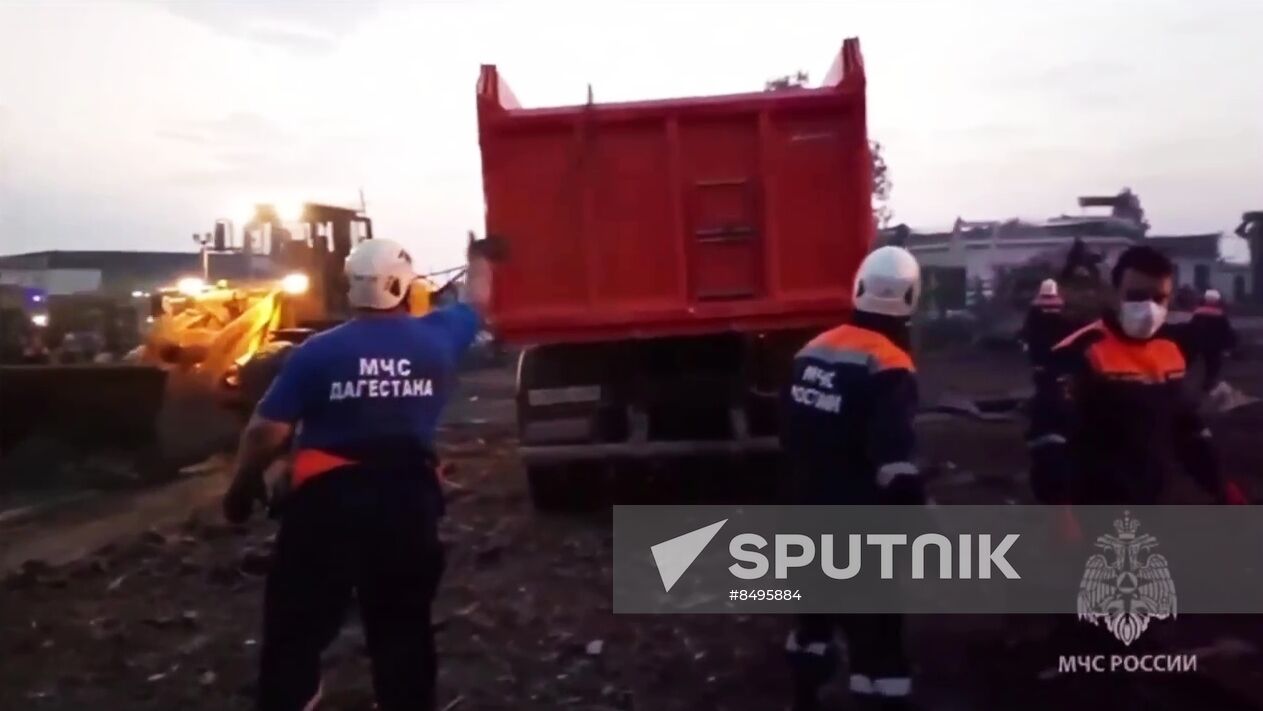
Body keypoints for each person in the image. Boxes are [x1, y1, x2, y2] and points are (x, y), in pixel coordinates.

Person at [223, 237, 494, 711]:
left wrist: (242, 486)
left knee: (296, 632)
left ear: (351, 287)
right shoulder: (438, 337)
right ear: (405, 286)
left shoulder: (316, 352)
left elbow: (266, 432)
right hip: (408, 506)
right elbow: (478, 301)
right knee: (403, 633)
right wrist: (481, 260)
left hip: (326, 511)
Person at [782, 246, 923, 711]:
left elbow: (790, 431)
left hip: (806, 507)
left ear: (859, 287)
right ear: (911, 297)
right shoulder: (890, 366)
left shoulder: (811, 351)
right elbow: (894, 462)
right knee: (878, 626)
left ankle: (806, 692)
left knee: (814, 615)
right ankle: (880, 696)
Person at [1027, 245, 1247, 508]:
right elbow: (1048, 435)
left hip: (1153, 503)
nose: (1148, 308)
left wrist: (1221, 487)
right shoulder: (1081, 351)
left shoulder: (1169, 351)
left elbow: (1186, 429)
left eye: (1159, 298)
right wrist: (1058, 506)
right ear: (1113, 294)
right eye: (1137, 296)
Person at [1019, 278, 1070, 387]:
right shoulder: (1062, 305)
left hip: (1040, 345)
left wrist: (1024, 337)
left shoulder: (1036, 306)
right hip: (1058, 343)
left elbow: (1029, 325)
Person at [1188, 289, 1237, 391]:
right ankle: (1208, 384)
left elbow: (1192, 328)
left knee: (1196, 364)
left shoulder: (1198, 313)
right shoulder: (1220, 314)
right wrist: (1229, 345)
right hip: (1215, 345)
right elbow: (1226, 331)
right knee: (1213, 366)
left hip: (1200, 343)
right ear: (1217, 300)